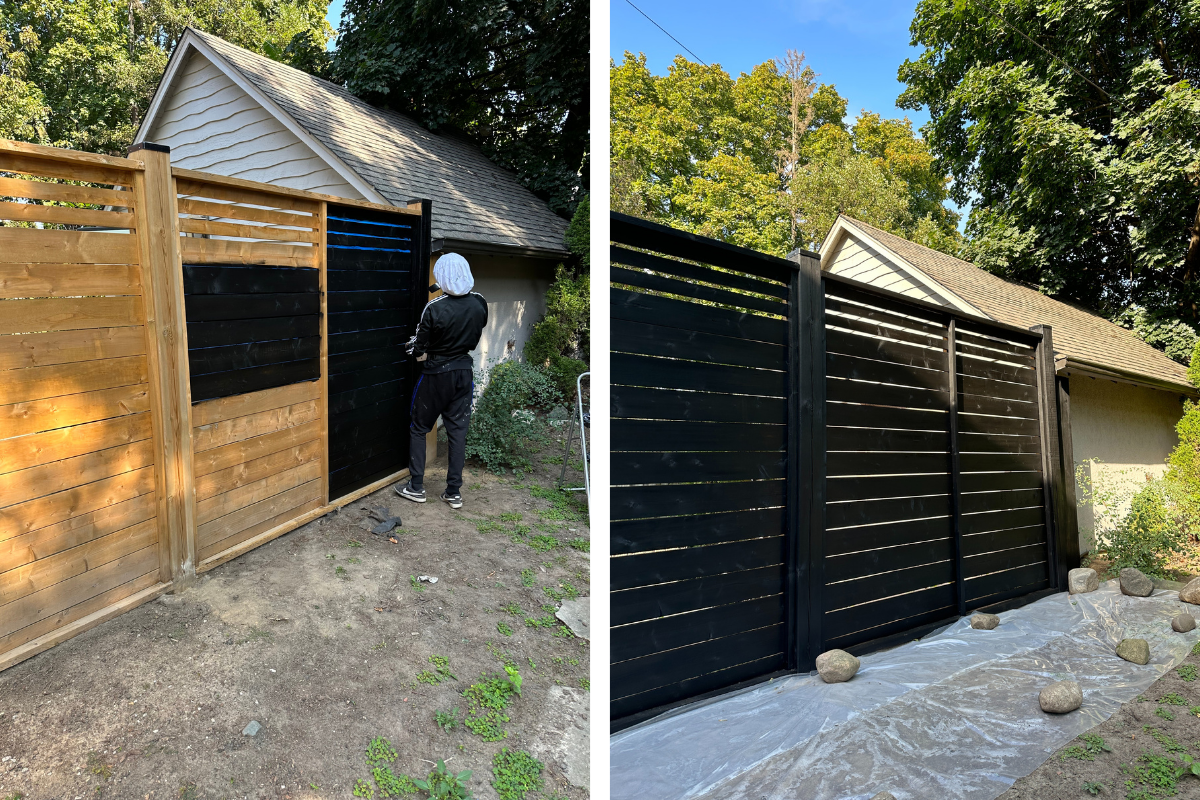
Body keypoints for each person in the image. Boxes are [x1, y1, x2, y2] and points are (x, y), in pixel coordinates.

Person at [395, 253, 488, 509]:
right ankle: (454, 492)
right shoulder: (480, 302)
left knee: (419, 427)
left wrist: (412, 347)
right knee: (458, 432)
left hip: (436, 374)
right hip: (463, 373)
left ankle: (416, 487)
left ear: (442, 275)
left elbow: (418, 347)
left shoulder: (434, 308)